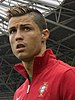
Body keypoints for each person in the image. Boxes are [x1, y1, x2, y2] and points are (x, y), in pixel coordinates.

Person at [7, 4, 75, 100]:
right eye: (12, 31)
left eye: (26, 28)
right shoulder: (19, 93)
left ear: (44, 34)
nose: (18, 36)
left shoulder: (68, 76)